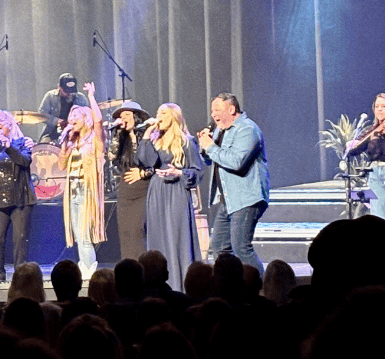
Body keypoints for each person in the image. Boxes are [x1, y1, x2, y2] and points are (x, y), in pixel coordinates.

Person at [196, 92, 269, 274]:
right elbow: (208, 161)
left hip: (246, 198)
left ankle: (260, 289)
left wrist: (210, 147)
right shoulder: (220, 131)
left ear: (231, 109)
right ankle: (230, 288)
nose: (213, 114)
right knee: (220, 248)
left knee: (241, 248)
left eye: (217, 110)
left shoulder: (247, 130)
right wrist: (204, 147)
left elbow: (236, 162)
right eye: (212, 110)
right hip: (227, 199)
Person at [137, 103, 205, 291]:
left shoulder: (186, 141)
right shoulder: (155, 140)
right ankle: (157, 286)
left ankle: (180, 286)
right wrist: (146, 135)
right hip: (157, 191)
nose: (159, 117)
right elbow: (145, 161)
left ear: (174, 117)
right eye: (157, 113)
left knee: (176, 237)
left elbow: (197, 172)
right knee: (157, 237)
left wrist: (179, 174)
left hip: (176, 192)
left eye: (164, 113)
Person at [57, 81, 106, 277]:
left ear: (85, 119)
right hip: (73, 190)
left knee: (85, 235)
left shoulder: (94, 140)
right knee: (78, 235)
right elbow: (61, 166)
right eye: (70, 117)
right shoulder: (71, 141)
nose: (72, 119)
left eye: (76, 116)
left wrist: (91, 96)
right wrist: (64, 144)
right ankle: (85, 268)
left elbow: (98, 121)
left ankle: (89, 271)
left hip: (87, 189)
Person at [0, 110, 36, 282]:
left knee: (19, 240)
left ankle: (21, 279)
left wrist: (9, 146)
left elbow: (24, 161)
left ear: (11, 125)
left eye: (3, 120)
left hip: (20, 199)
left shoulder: (22, 143)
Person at [345, 93, 385, 227]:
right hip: (374, 174)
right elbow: (354, 152)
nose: (379, 109)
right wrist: (350, 145)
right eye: (377, 107)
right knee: (377, 216)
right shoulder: (372, 131)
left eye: (383, 106)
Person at [108, 100, 152, 260]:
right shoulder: (120, 136)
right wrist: (118, 132)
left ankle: (143, 268)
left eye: (127, 114)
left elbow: (142, 160)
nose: (123, 118)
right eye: (121, 115)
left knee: (138, 230)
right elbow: (112, 155)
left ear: (136, 117)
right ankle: (128, 268)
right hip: (125, 190)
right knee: (125, 231)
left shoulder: (148, 135)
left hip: (142, 189)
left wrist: (134, 134)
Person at [38, 73, 89, 143]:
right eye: (66, 91)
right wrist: (57, 121)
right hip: (52, 134)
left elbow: (88, 117)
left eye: (72, 91)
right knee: (44, 146)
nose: (70, 94)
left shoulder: (81, 98)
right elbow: (41, 114)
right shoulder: (50, 96)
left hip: (76, 134)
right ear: (59, 87)